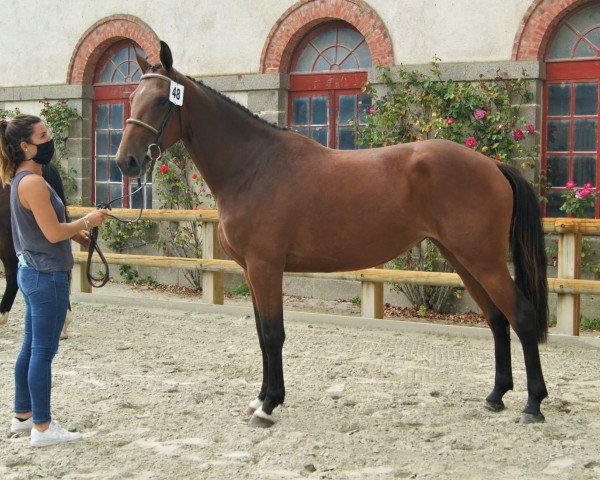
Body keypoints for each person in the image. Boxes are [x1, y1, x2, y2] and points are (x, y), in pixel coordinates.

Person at [0, 114, 108, 447]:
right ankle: (43, 428)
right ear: (25, 146)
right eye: (43, 135)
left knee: (31, 348)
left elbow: (46, 226)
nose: (49, 140)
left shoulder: (25, 178)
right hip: (46, 275)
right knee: (43, 353)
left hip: (33, 271)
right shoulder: (32, 183)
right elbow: (52, 231)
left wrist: (78, 236)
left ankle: (24, 415)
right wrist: (86, 221)